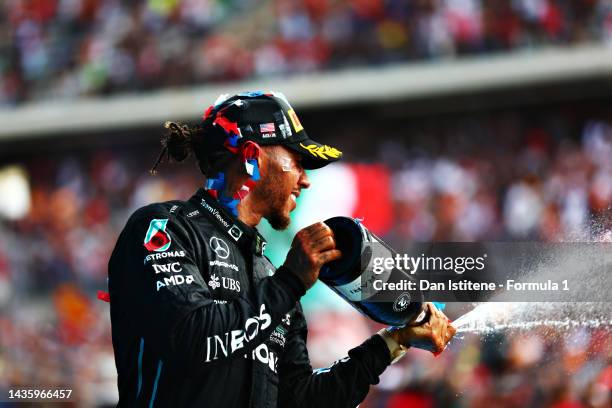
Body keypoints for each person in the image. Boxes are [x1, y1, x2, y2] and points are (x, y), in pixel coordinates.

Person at [107, 91, 455, 407]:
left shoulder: (270, 273)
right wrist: (290, 283)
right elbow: (191, 341)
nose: (305, 180)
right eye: (298, 161)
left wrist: (393, 342)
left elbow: (300, 400)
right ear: (252, 156)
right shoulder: (164, 227)